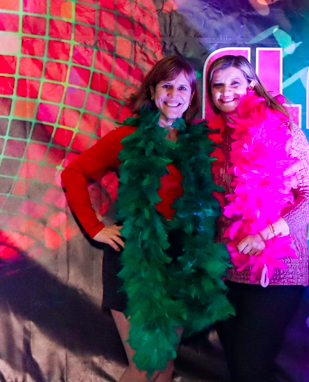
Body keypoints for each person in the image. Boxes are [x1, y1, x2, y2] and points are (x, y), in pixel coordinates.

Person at [61, 55, 233, 382]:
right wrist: (95, 228)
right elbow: (74, 173)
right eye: (166, 86)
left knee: (164, 367)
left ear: (192, 96)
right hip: (135, 261)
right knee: (145, 366)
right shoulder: (127, 138)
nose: (174, 94)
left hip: (180, 262)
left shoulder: (197, 145)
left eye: (182, 88)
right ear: (153, 91)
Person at [206, 55, 309, 382]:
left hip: (276, 270)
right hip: (225, 270)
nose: (226, 91)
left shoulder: (282, 129)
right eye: (217, 85)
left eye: (234, 83)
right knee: (238, 368)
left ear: (251, 85)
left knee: (250, 368)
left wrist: (266, 234)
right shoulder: (210, 138)